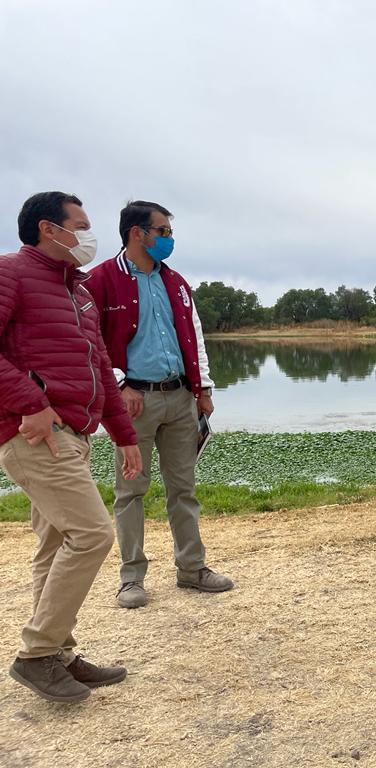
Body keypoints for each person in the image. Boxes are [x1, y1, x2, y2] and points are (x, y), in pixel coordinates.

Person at [1, 192, 143, 702]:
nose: (88, 236)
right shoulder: (11, 273)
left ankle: (56, 653)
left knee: (54, 546)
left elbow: (100, 367)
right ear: (48, 228)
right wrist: (29, 402)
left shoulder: (79, 291)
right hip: (37, 433)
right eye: (80, 225)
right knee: (91, 535)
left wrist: (123, 435)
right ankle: (37, 654)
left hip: (75, 435)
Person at [87, 200, 233, 608]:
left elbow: (194, 336)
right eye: (163, 231)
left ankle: (192, 568)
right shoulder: (100, 281)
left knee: (183, 488)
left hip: (181, 397)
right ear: (138, 233)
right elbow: (89, 339)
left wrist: (203, 389)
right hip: (134, 403)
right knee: (130, 492)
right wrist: (118, 385)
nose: (169, 239)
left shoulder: (176, 282)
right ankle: (131, 578)